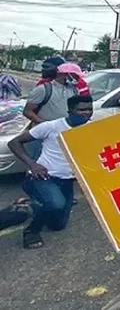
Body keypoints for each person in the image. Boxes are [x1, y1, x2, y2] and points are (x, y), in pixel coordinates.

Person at [8, 94, 94, 249]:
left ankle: (31, 205)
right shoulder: (51, 126)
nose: (86, 113)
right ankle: (31, 231)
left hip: (66, 181)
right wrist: (32, 165)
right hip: (44, 177)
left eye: (89, 109)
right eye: (81, 110)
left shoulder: (91, 128)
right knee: (55, 204)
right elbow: (14, 143)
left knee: (58, 225)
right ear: (70, 111)